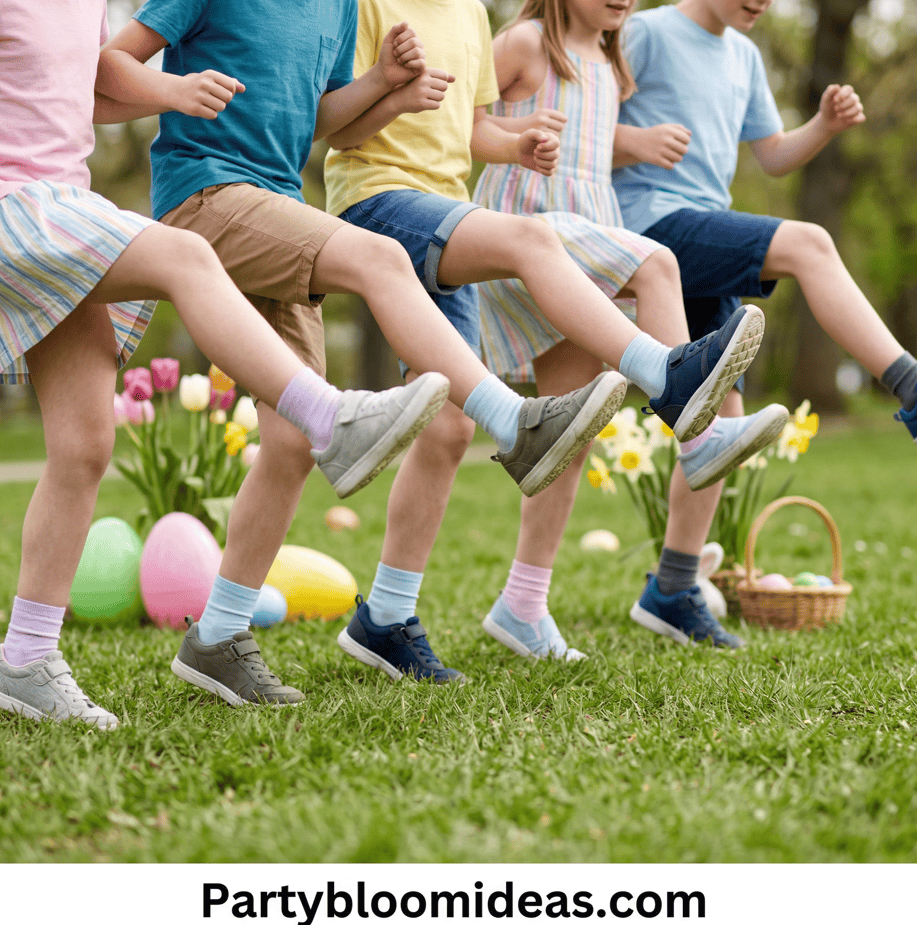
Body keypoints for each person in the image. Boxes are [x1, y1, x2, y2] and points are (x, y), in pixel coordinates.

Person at [98, 0, 635, 705]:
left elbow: (317, 124)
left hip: (277, 203)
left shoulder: (335, 8)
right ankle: (514, 423)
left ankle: (218, 638)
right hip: (205, 195)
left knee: (291, 441)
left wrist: (383, 83)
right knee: (378, 257)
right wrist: (171, 91)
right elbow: (106, 64)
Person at [0, 0, 454, 729]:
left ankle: (24, 659)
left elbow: (96, 87)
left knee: (84, 447)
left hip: (63, 205)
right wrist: (174, 92)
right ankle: (329, 417)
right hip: (17, 208)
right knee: (184, 254)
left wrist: (171, 92)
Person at [320, 0, 771, 683]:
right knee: (656, 263)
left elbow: (470, 132)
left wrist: (517, 141)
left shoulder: (484, 20)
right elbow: (340, 124)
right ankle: (676, 390)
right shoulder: (428, 20)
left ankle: (439, 611)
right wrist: (395, 87)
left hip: (466, 215)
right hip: (480, 220)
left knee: (475, 425)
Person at [468, 0, 790, 659]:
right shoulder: (525, 42)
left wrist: (634, 144)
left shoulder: (613, 61)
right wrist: (513, 138)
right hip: (520, 230)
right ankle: (692, 428)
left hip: (579, 239)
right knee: (656, 262)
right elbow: (455, 124)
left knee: (571, 429)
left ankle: (521, 606)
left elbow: (595, 146)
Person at [610, 0, 917, 646]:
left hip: (700, 231)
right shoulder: (644, 33)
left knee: (719, 423)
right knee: (808, 244)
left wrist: (823, 127)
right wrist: (632, 142)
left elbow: (773, 156)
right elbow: (580, 127)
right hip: (649, 227)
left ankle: (670, 588)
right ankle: (908, 384)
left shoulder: (744, 57)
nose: (761, 3)